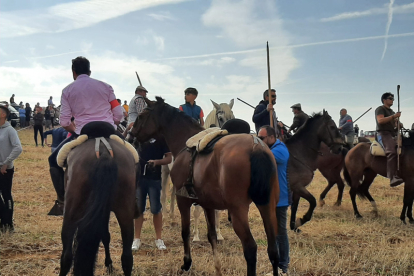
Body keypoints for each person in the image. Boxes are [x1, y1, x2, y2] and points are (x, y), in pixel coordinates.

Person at [47, 56, 124, 216]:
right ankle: (134, 198)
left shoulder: (67, 90)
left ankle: (62, 201)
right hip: (108, 130)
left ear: (73, 72)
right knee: (134, 156)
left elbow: (64, 121)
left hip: (83, 133)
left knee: (53, 161)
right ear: (89, 71)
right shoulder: (106, 86)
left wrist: (75, 129)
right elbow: (118, 112)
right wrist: (114, 123)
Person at [258, 125, 290, 275]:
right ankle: (277, 263)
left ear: (271, 137)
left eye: (262, 138)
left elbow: (264, 156)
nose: (260, 141)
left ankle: (283, 265)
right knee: (273, 232)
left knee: (281, 233)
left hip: (281, 198)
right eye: (258, 137)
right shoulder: (270, 147)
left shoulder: (280, 150)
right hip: (271, 197)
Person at [132, 137, 172, 251]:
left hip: (154, 179)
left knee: (155, 209)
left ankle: (159, 239)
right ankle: (136, 239)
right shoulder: (139, 137)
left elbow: (169, 158)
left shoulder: (161, 139)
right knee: (139, 209)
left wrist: (157, 162)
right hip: (140, 179)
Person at [0, 105, 23, 232]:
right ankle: (4, 219)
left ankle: (8, 224)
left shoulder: (10, 130)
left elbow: (18, 148)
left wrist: (6, 163)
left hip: (5, 169)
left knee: (6, 194)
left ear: (3, 115)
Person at [375, 92, 403, 187]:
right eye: (390, 98)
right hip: (383, 134)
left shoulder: (391, 112)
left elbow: (395, 124)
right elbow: (381, 120)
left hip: (392, 133)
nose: (392, 100)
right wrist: (394, 116)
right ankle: (392, 177)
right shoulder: (380, 109)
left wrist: (399, 123)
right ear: (384, 100)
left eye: (393, 99)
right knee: (391, 151)